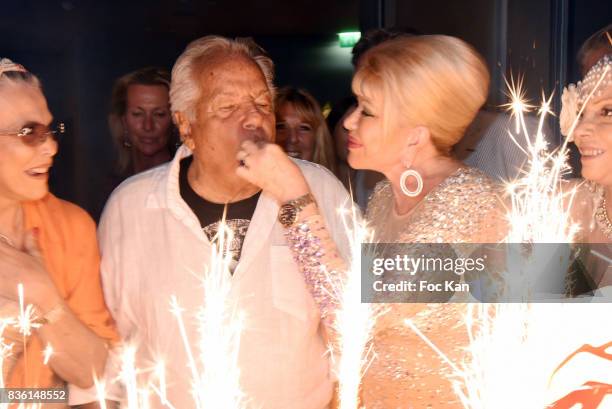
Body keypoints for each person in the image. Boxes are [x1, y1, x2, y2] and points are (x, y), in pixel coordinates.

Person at [239, 35, 506, 408]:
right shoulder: (384, 197)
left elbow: (352, 313)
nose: (348, 121)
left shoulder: (467, 203)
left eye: (367, 111)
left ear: (414, 133)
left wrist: (294, 199)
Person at [99, 36, 352, 408]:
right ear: (186, 126)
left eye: (262, 104)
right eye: (227, 107)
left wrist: (295, 199)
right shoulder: (130, 207)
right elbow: (114, 341)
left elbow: (360, 324)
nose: (252, 118)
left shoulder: (319, 189)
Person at [0, 58, 117, 405]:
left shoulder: (70, 226)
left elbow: (95, 372)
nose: (50, 147)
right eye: (28, 133)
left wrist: (43, 295)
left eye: (50, 130)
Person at [108, 66, 178, 182]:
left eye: (159, 114)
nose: (148, 126)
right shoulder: (112, 184)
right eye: (137, 114)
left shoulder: (188, 180)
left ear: (175, 119)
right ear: (123, 120)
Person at [274, 86, 337, 174]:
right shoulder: (252, 185)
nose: (293, 139)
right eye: (281, 127)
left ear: (317, 137)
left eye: (303, 128)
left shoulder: (330, 186)